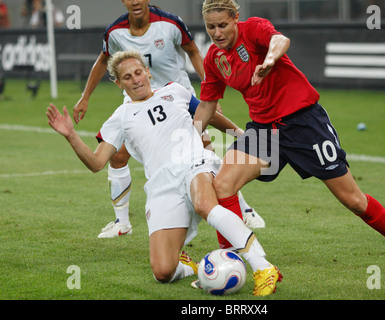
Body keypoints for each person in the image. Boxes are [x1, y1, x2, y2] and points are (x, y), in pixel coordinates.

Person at [194, 0, 385, 274]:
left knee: (354, 201)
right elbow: (207, 105)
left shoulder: (253, 29)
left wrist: (270, 59)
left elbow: (279, 39)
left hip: (304, 124)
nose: (216, 33)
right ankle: (231, 262)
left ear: (236, 18)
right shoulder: (214, 58)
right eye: (210, 26)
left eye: (223, 25)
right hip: (264, 130)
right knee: (224, 185)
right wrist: (191, 137)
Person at [47, 50, 281, 295]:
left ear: (147, 71)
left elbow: (210, 115)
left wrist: (241, 137)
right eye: (127, 77)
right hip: (161, 184)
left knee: (204, 204)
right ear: (118, 83)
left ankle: (263, 267)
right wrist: (71, 136)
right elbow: (96, 163)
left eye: (138, 72)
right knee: (163, 272)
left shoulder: (175, 91)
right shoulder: (120, 117)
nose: (136, 79)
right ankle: (194, 267)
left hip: (195, 162)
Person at [72, 0, 264, 239]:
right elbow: (103, 60)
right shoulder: (114, 31)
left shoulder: (171, 23)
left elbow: (193, 51)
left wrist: (210, 89)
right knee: (118, 156)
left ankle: (244, 209)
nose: (134, 1)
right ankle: (122, 223)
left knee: (203, 153)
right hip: (137, 102)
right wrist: (85, 96)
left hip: (176, 98)